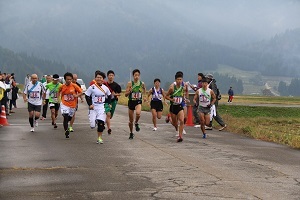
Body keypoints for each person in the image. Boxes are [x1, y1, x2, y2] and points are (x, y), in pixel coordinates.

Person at [85, 71, 111, 144]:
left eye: (100, 77)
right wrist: (90, 104)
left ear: (103, 79)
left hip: (101, 107)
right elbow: (87, 96)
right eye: (97, 77)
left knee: (101, 123)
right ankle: (95, 121)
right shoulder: (92, 87)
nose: (99, 79)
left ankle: (99, 138)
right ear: (95, 78)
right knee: (92, 126)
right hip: (93, 108)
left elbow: (109, 95)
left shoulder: (105, 88)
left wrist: (108, 103)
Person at [59, 72, 83, 138]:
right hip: (64, 104)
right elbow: (58, 92)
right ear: (65, 79)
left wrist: (76, 95)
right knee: (65, 116)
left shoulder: (74, 86)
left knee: (69, 118)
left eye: (70, 79)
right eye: (67, 79)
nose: (69, 81)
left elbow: (81, 92)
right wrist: (59, 99)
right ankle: (66, 131)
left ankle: (67, 124)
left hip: (72, 105)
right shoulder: (62, 86)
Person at [125, 69, 146, 139]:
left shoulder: (142, 83)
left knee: (138, 113)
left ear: (139, 76)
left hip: (138, 101)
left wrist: (145, 97)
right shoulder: (130, 84)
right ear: (133, 76)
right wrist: (130, 91)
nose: (136, 77)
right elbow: (125, 94)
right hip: (131, 102)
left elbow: (144, 90)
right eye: (135, 75)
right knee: (131, 121)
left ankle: (136, 122)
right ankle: (131, 133)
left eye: (138, 75)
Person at [165, 72, 187, 142]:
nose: (179, 81)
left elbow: (182, 96)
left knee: (181, 120)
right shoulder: (172, 88)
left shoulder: (183, 88)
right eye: (178, 79)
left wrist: (184, 99)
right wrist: (171, 99)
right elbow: (166, 96)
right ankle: (169, 118)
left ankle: (180, 136)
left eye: (180, 79)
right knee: (175, 123)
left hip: (179, 106)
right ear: (175, 80)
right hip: (173, 107)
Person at [104, 70, 122, 135]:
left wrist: (115, 95)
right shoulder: (104, 84)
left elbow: (119, 94)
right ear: (107, 76)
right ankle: (109, 128)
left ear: (114, 76)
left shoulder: (116, 85)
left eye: (112, 75)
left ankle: (104, 121)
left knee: (110, 116)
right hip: (106, 101)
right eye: (109, 75)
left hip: (113, 101)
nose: (111, 77)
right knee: (108, 114)